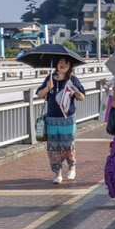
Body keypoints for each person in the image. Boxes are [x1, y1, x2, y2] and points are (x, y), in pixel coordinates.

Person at [36, 56, 86, 184]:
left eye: (66, 63)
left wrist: (75, 90)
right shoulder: (50, 79)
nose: (63, 64)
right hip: (52, 119)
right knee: (53, 148)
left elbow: (82, 97)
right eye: (60, 62)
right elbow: (40, 95)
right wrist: (47, 87)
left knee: (69, 145)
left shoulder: (73, 79)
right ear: (56, 65)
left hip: (68, 118)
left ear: (70, 66)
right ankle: (57, 173)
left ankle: (71, 166)